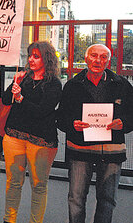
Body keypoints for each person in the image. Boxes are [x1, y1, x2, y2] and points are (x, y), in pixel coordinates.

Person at [57, 44, 133, 223]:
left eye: (103, 57)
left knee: (107, 200)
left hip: (112, 151)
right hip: (79, 150)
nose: (98, 60)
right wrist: (72, 124)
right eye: (93, 55)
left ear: (108, 60)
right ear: (86, 59)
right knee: (76, 199)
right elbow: (60, 118)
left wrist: (124, 123)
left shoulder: (122, 85)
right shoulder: (72, 85)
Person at [1, 41, 62, 223]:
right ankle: (8, 220)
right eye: (30, 56)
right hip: (14, 136)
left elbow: (41, 112)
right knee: (13, 182)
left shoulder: (54, 84)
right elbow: (5, 100)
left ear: (47, 59)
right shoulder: (24, 77)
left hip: (41, 141)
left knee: (38, 185)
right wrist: (15, 83)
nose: (31, 60)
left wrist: (21, 98)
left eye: (36, 56)